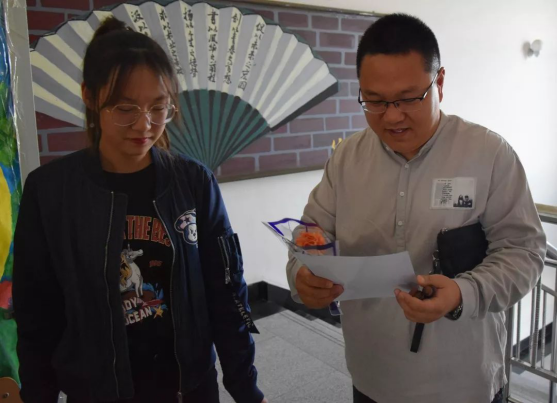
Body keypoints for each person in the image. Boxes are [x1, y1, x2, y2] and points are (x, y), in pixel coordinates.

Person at [286, 13, 546, 403]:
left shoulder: (489, 154)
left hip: (463, 380)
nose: (392, 116)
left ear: (439, 82)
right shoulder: (346, 158)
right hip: (371, 373)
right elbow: (312, 231)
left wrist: (463, 292)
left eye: (409, 98)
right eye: (374, 101)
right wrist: (302, 273)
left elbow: (524, 252)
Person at [13, 17, 266, 403]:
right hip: (96, 392)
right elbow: (36, 313)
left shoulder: (194, 182)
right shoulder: (50, 191)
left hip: (188, 387)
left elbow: (227, 290)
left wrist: (247, 389)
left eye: (158, 107)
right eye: (125, 108)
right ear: (90, 97)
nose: (144, 125)